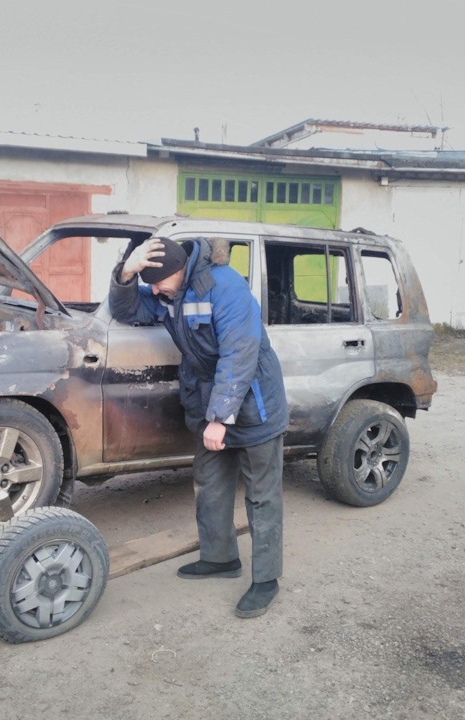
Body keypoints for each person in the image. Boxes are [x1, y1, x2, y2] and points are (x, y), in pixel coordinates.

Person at [109, 235, 289, 618]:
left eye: (157, 281)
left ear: (178, 270)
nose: (153, 289)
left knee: (262, 494)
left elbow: (240, 353)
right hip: (210, 403)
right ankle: (220, 558)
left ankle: (266, 579)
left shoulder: (225, 286)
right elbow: (126, 311)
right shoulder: (168, 294)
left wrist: (221, 418)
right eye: (149, 282)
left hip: (254, 402)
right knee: (210, 484)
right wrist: (126, 273)